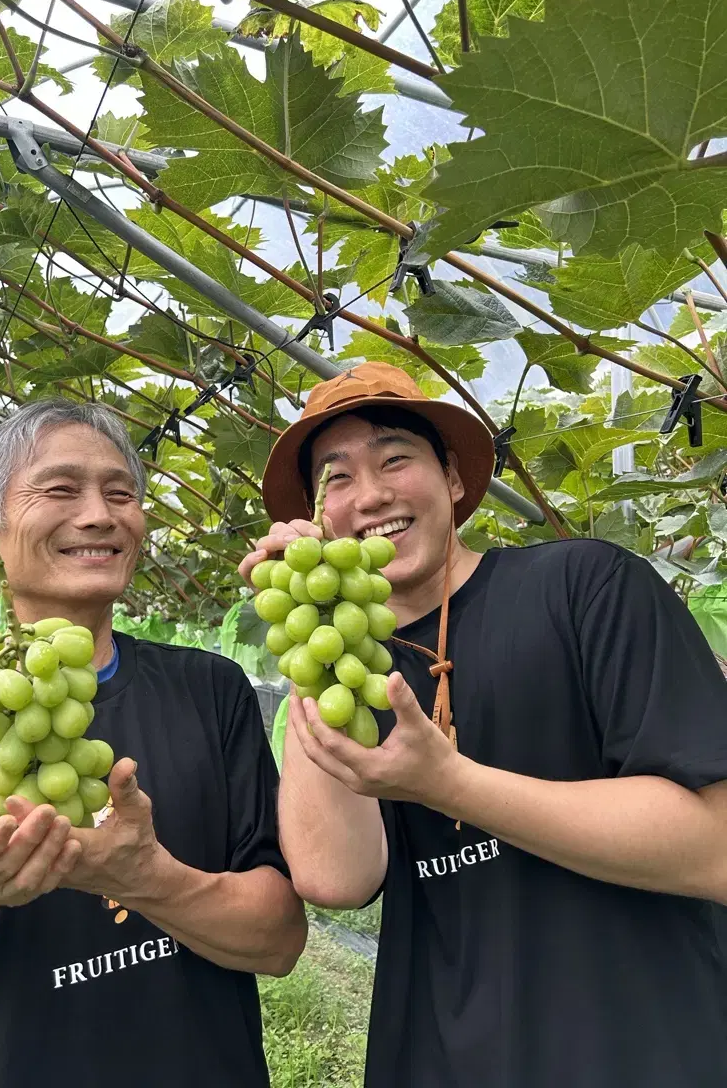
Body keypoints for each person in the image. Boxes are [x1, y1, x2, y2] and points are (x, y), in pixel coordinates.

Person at [239, 361, 727, 1088]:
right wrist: (313, 637)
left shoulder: (586, 586)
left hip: (644, 1053)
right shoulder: (350, 668)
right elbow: (334, 877)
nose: (369, 495)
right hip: (441, 1060)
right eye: (336, 480)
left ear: (456, 481)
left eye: (394, 459)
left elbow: (714, 850)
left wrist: (450, 784)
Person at [0, 398, 306, 1088]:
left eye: (122, 493)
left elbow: (280, 941)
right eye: (59, 490)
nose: (100, 514)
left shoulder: (213, 690)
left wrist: (145, 879)